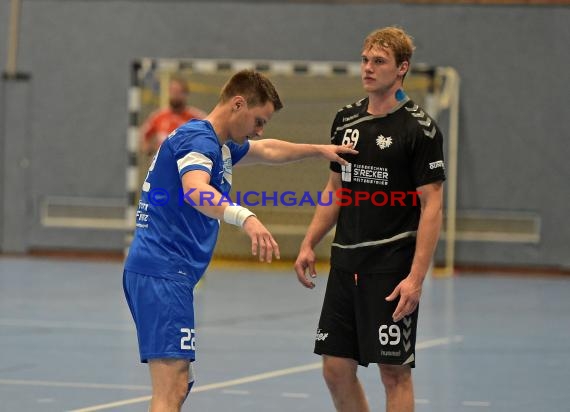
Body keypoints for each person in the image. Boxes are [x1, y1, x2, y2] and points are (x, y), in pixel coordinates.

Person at [123, 69, 357, 412]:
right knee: (170, 388)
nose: (260, 130)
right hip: (163, 272)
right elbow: (195, 191)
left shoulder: (219, 144)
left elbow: (269, 150)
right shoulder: (199, 139)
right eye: (258, 120)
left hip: (166, 272)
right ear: (238, 104)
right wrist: (244, 217)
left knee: (178, 384)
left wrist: (320, 150)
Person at [294, 27, 446, 412]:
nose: (368, 68)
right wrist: (309, 241)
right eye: (365, 59)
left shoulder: (420, 129)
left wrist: (415, 279)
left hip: (391, 268)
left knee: (393, 373)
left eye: (379, 61)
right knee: (335, 368)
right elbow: (335, 190)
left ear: (401, 69)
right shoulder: (346, 121)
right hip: (346, 265)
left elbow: (432, 208)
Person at [141, 77, 207, 155]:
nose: (174, 95)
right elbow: (144, 134)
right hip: (163, 163)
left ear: (185, 94)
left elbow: (209, 135)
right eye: (172, 91)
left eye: (178, 92)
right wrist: (148, 148)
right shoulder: (158, 116)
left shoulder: (197, 117)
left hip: (186, 162)